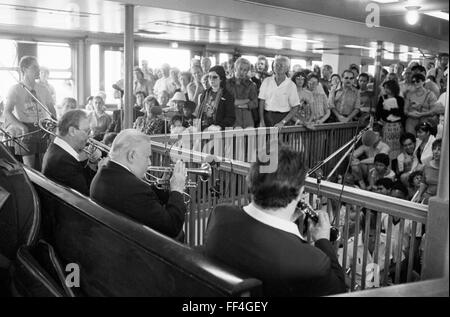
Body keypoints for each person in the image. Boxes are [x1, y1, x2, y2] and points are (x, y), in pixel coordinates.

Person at [204, 146, 346, 297]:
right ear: (299, 192)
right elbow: (339, 290)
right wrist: (323, 240)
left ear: (251, 181)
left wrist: (288, 217)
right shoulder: (312, 261)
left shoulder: (219, 215)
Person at [90, 129, 187, 239]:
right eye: (147, 157)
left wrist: (163, 185)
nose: (150, 162)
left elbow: (144, 200)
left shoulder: (105, 171)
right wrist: (177, 190)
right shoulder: (134, 189)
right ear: (132, 155)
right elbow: (172, 227)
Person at [4, 56, 56, 169]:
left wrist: (54, 127)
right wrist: (22, 127)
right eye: (34, 67)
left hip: (44, 127)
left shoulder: (43, 88)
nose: (38, 70)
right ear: (24, 69)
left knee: (45, 166)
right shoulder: (15, 89)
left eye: (38, 67)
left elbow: (52, 110)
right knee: (30, 169)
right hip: (26, 129)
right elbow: (7, 112)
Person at [42, 110, 99, 196]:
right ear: (72, 131)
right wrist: (102, 171)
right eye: (87, 131)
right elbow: (87, 196)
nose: (89, 136)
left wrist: (92, 163)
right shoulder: (63, 162)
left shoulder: (57, 150)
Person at [258, 55, 300, 127]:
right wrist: (261, 120)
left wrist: (283, 122)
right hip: (267, 116)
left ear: (287, 68)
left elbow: (295, 106)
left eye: (282, 65)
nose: (279, 67)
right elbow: (261, 102)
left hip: (284, 118)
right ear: (273, 67)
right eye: (276, 65)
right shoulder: (266, 81)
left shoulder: (291, 85)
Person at [194, 65, 235, 131]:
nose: (211, 80)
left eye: (214, 77)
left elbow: (231, 117)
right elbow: (199, 113)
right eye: (209, 77)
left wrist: (220, 126)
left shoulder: (227, 96)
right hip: (202, 130)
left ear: (221, 78)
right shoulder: (204, 94)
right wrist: (196, 126)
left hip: (217, 131)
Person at [226, 57, 258, 128]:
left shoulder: (251, 84)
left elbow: (255, 103)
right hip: (233, 119)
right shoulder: (227, 83)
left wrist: (239, 105)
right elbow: (229, 102)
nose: (242, 72)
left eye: (245, 70)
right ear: (235, 68)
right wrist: (247, 100)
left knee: (250, 138)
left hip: (248, 119)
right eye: (240, 69)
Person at [413, 138, 441, 204]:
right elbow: (424, 182)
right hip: (429, 198)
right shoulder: (427, 165)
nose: (435, 152)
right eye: (434, 149)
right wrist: (419, 195)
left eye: (439, 149)